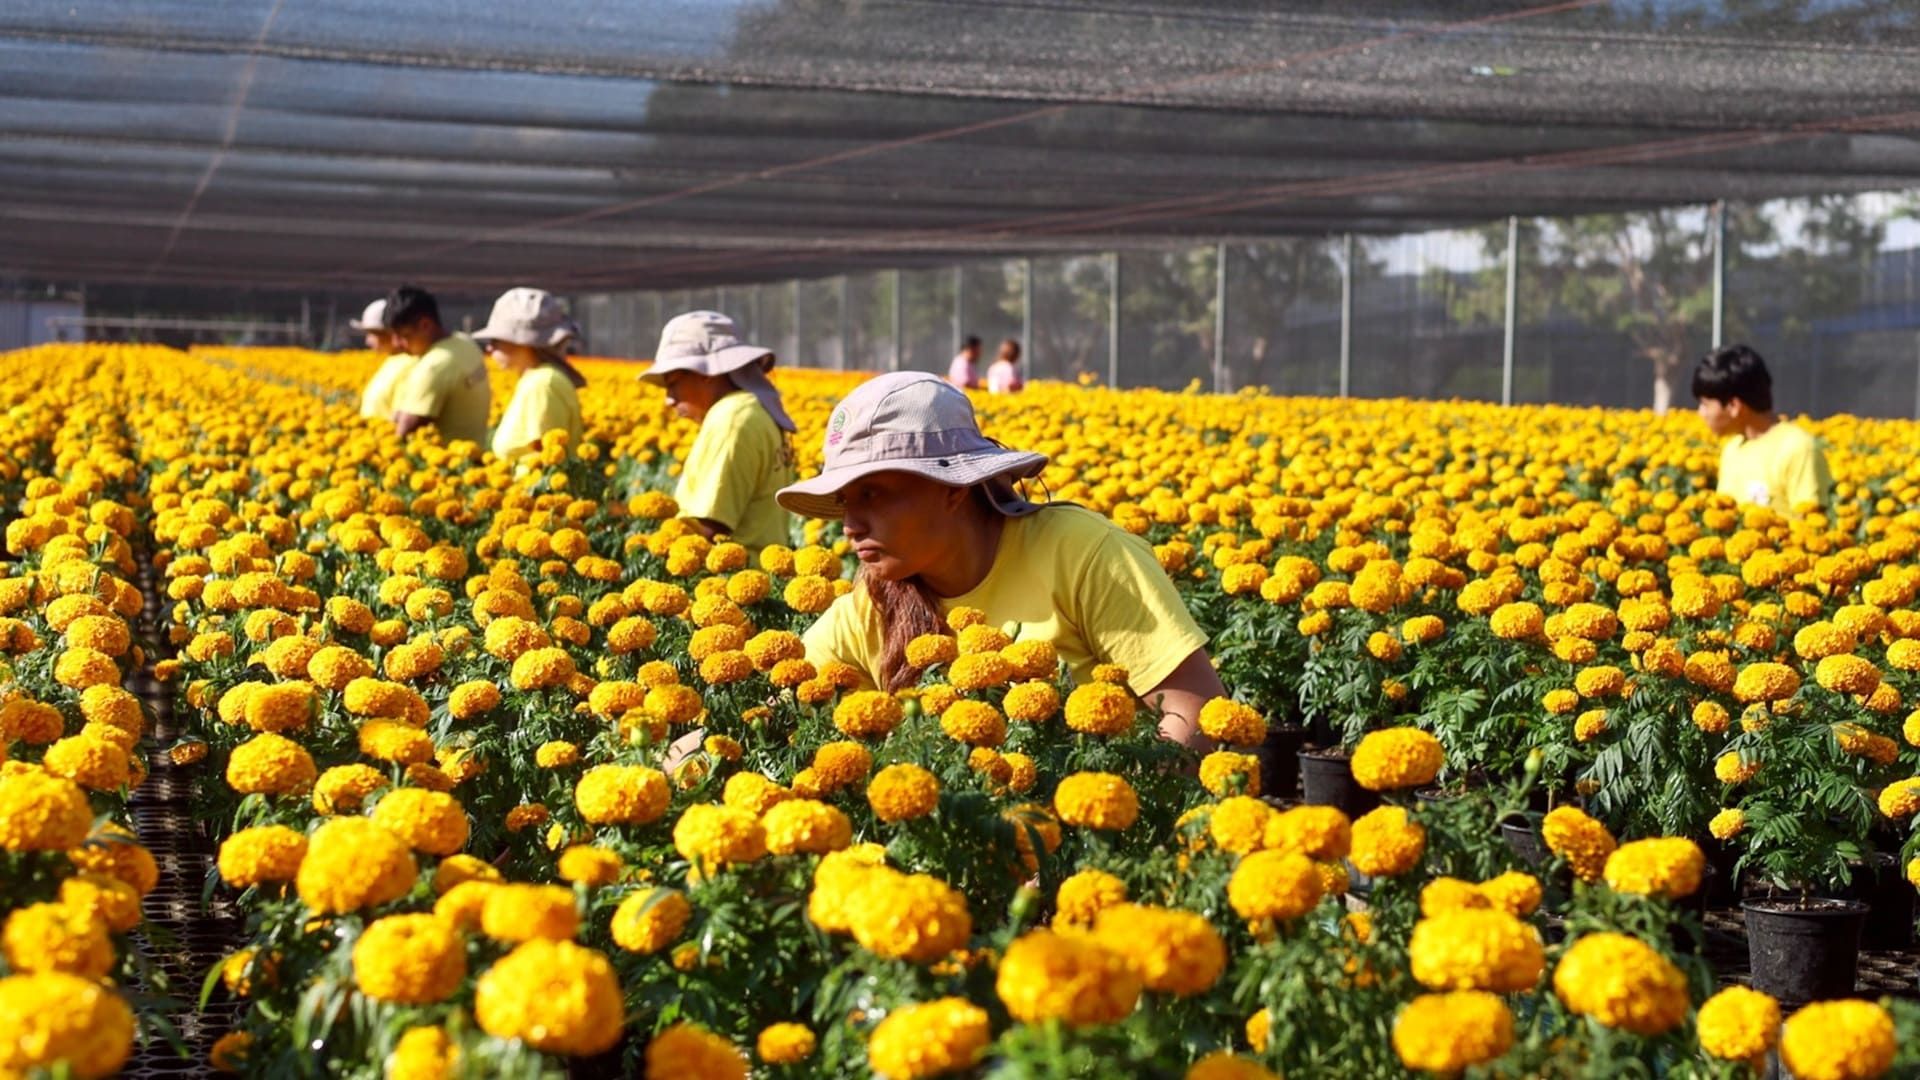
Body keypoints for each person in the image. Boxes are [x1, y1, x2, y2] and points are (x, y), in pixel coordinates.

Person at [781, 371, 1225, 748]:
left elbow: (1193, 712)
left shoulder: (1081, 552)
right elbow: (777, 702)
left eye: (872, 494)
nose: (849, 524)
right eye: (844, 500)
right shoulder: (872, 603)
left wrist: (1106, 812)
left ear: (952, 488)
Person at [641, 310, 797, 551]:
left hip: (726, 580)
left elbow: (711, 527)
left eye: (673, 383)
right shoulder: (753, 409)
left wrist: (645, 544)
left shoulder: (732, 420)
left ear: (706, 373)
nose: (669, 400)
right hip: (758, 575)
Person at [1693, 343, 1831, 513]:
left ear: (1734, 406)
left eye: (1705, 404)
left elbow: (1812, 528)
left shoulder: (1798, 449)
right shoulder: (1732, 449)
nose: (1700, 413)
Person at [472, 287, 587, 461]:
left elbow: (546, 460)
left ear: (522, 342)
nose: (489, 347)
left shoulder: (542, 385)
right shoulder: (535, 379)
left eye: (495, 340)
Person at [387, 285, 491, 446]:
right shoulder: (465, 342)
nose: (396, 344)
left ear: (425, 325)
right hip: (476, 450)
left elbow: (404, 431)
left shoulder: (435, 366)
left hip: (448, 461)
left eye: (404, 336)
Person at [352, 299, 417, 421]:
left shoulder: (410, 366)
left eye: (372, 334)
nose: (368, 341)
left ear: (392, 333)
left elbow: (401, 416)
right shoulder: (393, 361)